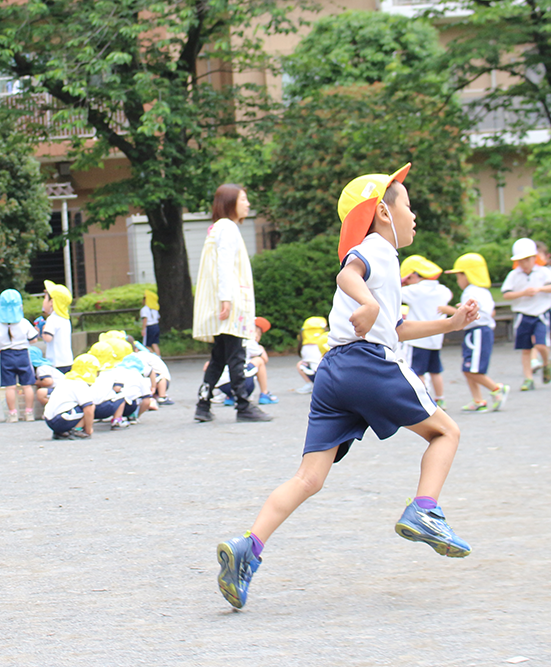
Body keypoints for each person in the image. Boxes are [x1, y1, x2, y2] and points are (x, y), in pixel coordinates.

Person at [216, 164, 481, 611]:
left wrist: (449, 323)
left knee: (308, 477)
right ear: (382, 211)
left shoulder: (382, 260)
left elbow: (396, 327)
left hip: (333, 373)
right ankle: (425, 509)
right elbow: (347, 275)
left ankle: (248, 547)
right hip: (366, 364)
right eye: (409, 207)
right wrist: (368, 301)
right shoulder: (375, 248)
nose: (414, 216)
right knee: (446, 432)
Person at [192, 183, 271, 423]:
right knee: (236, 353)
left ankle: (203, 404)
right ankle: (243, 404)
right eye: (243, 199)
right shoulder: (227, 228)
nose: (247, 204)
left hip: (225, 299)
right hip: (231, 301)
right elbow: (224, 264)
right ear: (230, 203)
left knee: (219, 356)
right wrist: (226, 299)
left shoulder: (218, 228)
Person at [443, 253, 510, 412]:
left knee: (472, 370)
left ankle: (496, 388)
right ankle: (478, 400)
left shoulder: (471, 291)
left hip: (477, 332)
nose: (458, 280)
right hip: (477, 332)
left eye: (459, 275)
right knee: (468, 368)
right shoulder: (482, 291)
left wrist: (450, 310)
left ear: (467, 274)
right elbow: (490, 312)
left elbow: (474, 315)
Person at [400, 255, 453, 408]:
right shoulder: (443, 290)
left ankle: (425, 398)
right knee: (435, 371)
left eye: (408, 279)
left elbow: (395, 292)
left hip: (417, 338)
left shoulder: (414, 291)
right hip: (436, 339)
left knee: (417, 372)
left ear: (415, 275)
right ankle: (440, 398)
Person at [501, 238, 551, 390]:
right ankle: (528, 378)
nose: (524, 264)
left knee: (541, 344)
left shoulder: (543, 272)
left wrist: (539, 290)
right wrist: (523, 293)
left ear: (534, 258)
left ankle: (546, 362)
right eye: (520, 261)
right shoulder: (514, 275)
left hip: (541, 312)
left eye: (526, 260)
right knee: (525, 348)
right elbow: (506, 294)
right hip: (523, 314)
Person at [0, 289, 39, 422]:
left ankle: (13, 413)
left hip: (6, 355)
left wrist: (0, 345)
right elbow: (34, 340)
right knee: (27, 385)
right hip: (22, 355)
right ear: (20, 306)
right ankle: (29, 412)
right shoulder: (24, 323)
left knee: (10, 386)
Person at [218, 317, 277, 406]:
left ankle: (229, 397)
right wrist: (261, 348)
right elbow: (265, 359)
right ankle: (264, 393)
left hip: (224, 386)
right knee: (258, 361)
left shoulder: (229, 342)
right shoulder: (250, 342)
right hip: (243, 384)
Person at [43, 354, 98, 440]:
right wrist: (89, 429)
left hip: (49, 420)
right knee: (90, 406)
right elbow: (88, 409)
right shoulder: (80, 384)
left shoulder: (65, 381)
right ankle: (77, 430)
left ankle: (61, 432)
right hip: (62, 419)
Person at [42, 280, 74, 372]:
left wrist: (43, 330)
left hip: (56, 362)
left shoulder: (52, 319)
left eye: (45, 298)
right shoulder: (65, 318)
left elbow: (48, 338)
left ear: (51, 302)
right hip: (67, 360)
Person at [295, 316, 328, 394]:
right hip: (325, 373)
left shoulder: (304, 346)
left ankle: (309, 384)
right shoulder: (324, 341)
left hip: (313, 373)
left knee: (300, 364)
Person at [140, 289, 161, 355]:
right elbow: (158, 317)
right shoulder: (155, 309)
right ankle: (159, 356)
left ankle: (153, 356)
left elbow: (145, 319)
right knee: (154, 343)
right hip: (156, 326)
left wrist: (143, 329)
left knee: (146, 345)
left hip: (149, 327)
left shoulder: (144, 309)